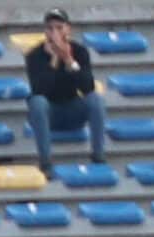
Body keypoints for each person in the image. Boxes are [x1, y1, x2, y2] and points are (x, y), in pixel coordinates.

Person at [26, 7, 104, 178]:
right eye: (50, 28)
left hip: (72, 108)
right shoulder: (35, 55)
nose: (55, 33)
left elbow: (87, 87)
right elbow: (39, 90)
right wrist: (54, 59)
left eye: (59, 28)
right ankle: (45, 163)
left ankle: (98, 157)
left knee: (96, 99)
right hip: (49, 113)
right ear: (45, 31)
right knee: (37, 102)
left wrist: (69, 60)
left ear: (68, 29)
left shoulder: (80, 52)